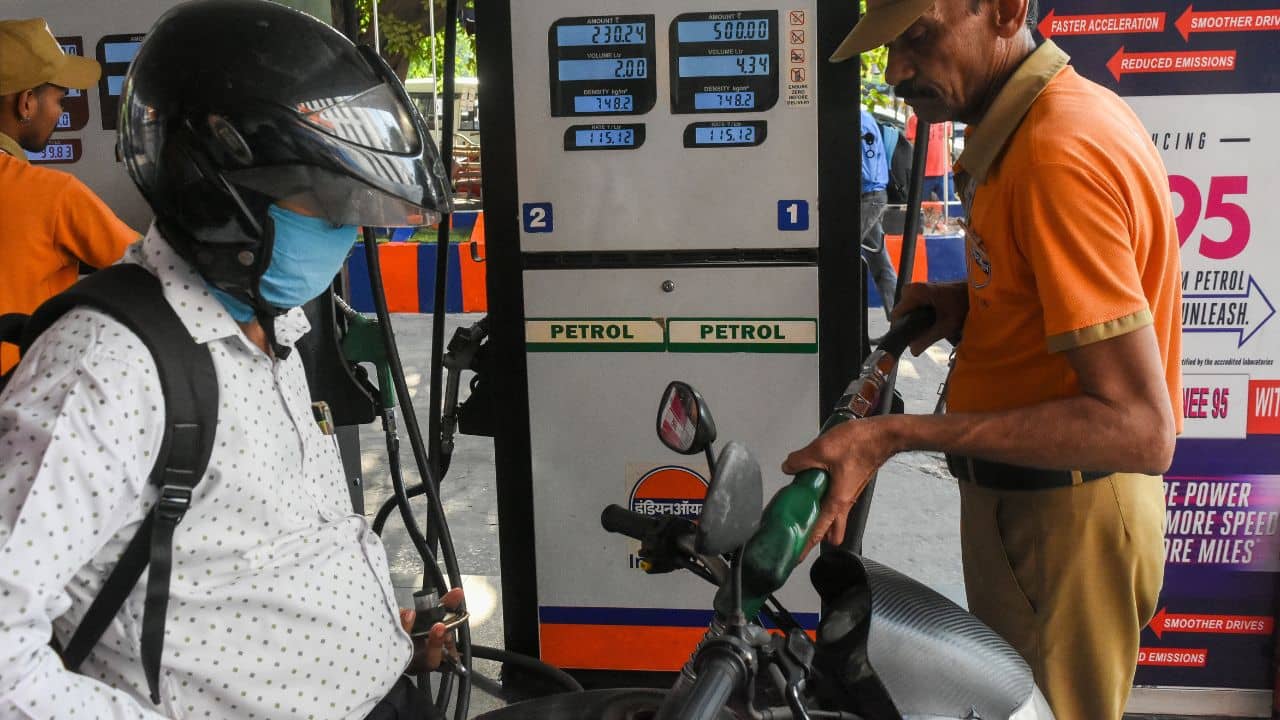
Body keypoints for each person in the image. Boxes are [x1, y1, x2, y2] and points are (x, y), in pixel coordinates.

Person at [0, 1, 463, 718]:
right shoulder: (103, 369)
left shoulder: (263, 323)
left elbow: (240, 560)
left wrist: (373, 646)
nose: (348, 229)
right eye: (331, 201)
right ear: (218, 191)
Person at [787, 0, 1182, 718]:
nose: (898, 70)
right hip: (1036, 514)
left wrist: (891, 435)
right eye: (889, 48)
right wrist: (978, 302)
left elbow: (1138, 429)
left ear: (1004, 11)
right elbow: (1060, 298)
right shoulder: (1041, 124)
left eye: (919, 38)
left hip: (1063, 525)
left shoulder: (1056, 152)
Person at [0, 18, 140, 373]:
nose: (60, 112)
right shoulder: (51, 195)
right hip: (18, 404)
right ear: (27, 102)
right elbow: (155, 271)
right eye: (60, 98)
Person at [859, 107, 898, 319]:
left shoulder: (860, 122)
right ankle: (897, 321)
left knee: (840, 254)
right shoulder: (862, 118)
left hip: (869, 196)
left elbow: (868, 171)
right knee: (880, 263)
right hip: (870, 196)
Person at [905, 112, 954, 203]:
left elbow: (947, 141)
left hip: (945, 172)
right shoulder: (914, 118)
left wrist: (949, 164)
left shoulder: (946, 117)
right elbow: (911, 145)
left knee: (950, 207)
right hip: (922, 174)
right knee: (921, 209)